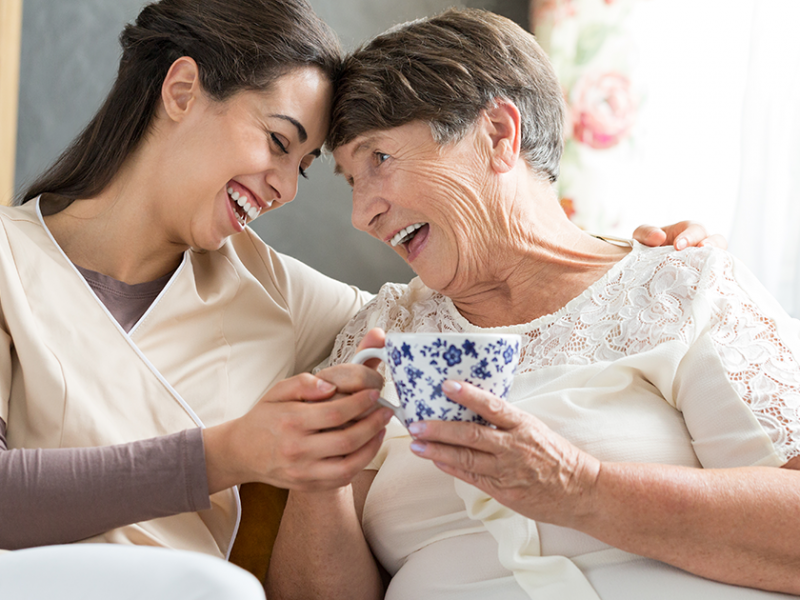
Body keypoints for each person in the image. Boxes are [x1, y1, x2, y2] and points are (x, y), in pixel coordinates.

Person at [0, 0, 719, 594]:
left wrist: (619, 259)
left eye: (305, 166)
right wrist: (228, 455)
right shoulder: (8, 258)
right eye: (278, 141)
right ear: (183, 89)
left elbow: (470, 306)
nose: (282, 187)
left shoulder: (280, 296)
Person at [267, 8, 800, 600]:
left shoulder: (681, 286)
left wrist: (581, 488)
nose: (361, 213)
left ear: (499, 134)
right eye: (349, 179)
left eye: (380, 159)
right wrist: (320, 481)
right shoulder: (382, 332)